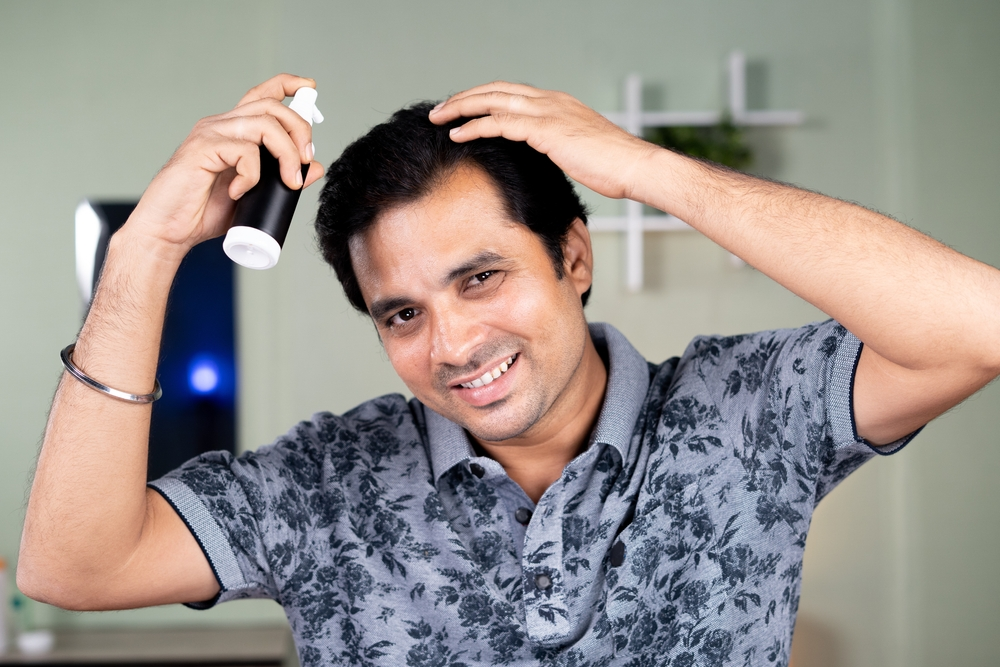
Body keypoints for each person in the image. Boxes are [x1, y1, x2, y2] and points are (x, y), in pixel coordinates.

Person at [17, 74, 1000, 666]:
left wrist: (645, 168)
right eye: (402, 312)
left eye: (480, 277)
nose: (449, 344)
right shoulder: (324, 484)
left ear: (573, 258)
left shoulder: (750, 414)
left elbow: (978, 326)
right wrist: (144, 250)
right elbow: (74, 565)